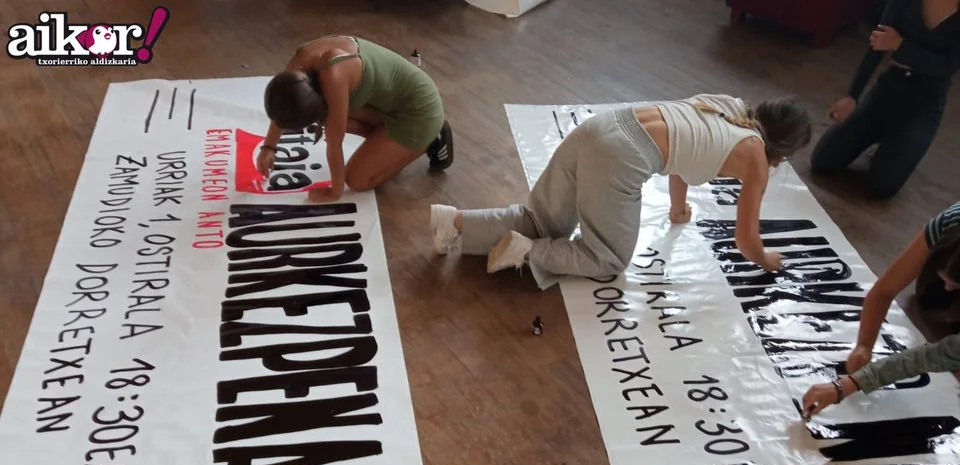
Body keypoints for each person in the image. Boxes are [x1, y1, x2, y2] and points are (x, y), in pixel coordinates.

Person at [429, 94, 812, 290]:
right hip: (619, 157)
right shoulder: (755, 157)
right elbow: (746, 241)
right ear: (784, 150)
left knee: (541, 220)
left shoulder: (730, 107)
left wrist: (678, 210)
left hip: (602, 126)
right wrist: (767, 260)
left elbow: (686, 152)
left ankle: (454, 223)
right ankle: (528, 252)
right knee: (608, 258)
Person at [801, 199, 960, 417]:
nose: (948, 287)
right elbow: (884, 290)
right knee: (932, 300)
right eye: (946, 278)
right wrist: (864, 345)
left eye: (956, 284)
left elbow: (939, 354)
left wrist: (849, 384)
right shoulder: (950, 222)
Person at [257, 35, 453, 202]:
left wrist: (335, 191)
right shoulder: (297, 69)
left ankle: (430, 140)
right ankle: (388, 145)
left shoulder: (334, 76)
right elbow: (285, 103)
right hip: (393, 104)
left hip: (419, 112)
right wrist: (269, 147)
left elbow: (334, 144)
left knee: (357, 180)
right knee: (338, 118)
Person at [810, 0, 960, 200]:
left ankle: (893, 145)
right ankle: (882, 137)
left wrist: (900, 45)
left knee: (880, 187)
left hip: (925, 105)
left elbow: (947, 67)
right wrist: (852, 96)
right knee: (823, 160)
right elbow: (877, 45)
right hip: (886, 91)